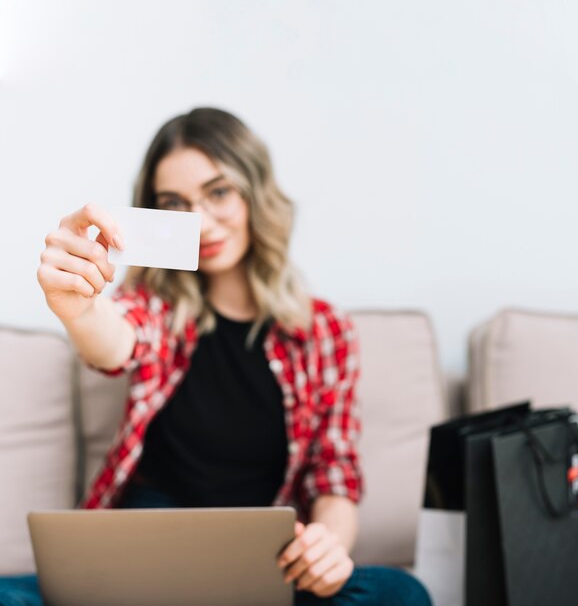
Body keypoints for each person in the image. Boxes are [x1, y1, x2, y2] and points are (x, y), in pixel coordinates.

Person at [0, 108, 431, 606]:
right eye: (175, 203)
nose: (200, 221)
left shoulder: (323, 332)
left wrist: (329, 548)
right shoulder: (157, 308)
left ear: (254, 193)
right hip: (143, 559)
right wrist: (79, 309)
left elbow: (335, 472)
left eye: (218, 192)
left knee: (400, 593)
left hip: (263, 563)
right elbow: (118, 341)